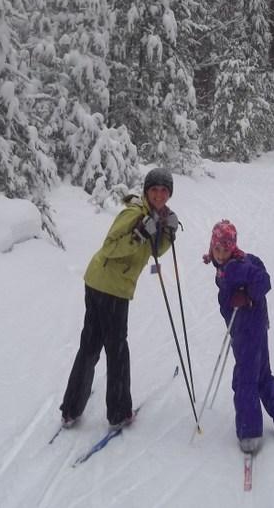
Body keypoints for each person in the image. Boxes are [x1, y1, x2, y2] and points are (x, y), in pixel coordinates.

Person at [59, 167, 179, 428]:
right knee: (116, 349)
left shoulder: (154, 215)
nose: (159, 194)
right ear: (147, 190)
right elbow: (110, 247)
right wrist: (139, 235)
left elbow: (155, 250)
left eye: (164, 190)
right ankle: (119, 413)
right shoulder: (134, 213)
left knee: (91, 345)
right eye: (155, 189)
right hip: (110, 288)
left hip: (99, 282)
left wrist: (167, 233)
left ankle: (71, 409)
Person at [203, 219, 274, 453]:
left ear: (232, 248)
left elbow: (263, 280)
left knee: (245, 378)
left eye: (225, 249)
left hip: (248, 329)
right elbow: (256, 265)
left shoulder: (237, 266)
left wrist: (248, 296)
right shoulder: (233, 262)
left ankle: (250, 432)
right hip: (250, 327)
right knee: (261, 373)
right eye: (217, 248)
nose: (221, 253)